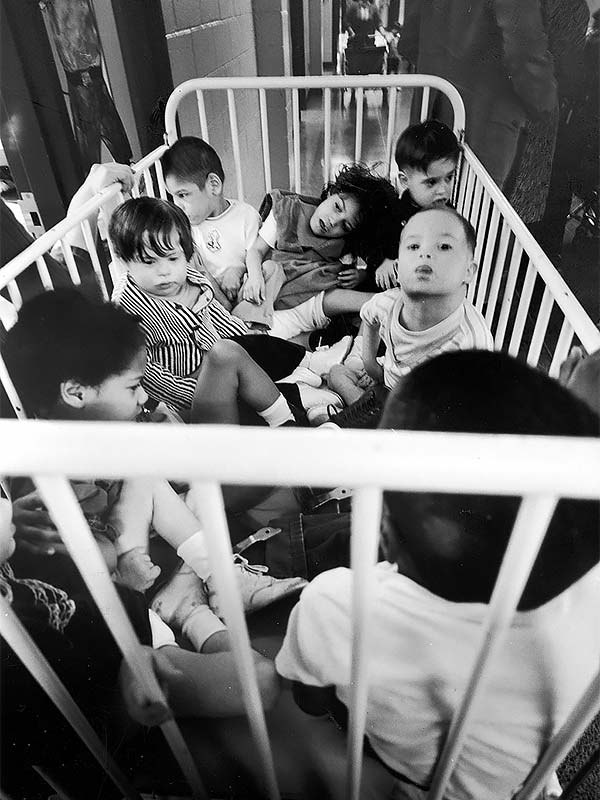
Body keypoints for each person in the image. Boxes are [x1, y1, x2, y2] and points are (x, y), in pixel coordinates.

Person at [276, 349, 600, 799]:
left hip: (400, 776)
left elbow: (307, 700)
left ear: (385, 525)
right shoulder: (591, 593)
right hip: (509, 787)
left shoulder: (336, 603)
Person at [2, 289, 306, 649]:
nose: (143, 396)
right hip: (126, 585)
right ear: (76, 393)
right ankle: (212, 585)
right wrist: (126, 562)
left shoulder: (97, 429)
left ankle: (217, 585)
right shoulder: (49, 468)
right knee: (180, 489)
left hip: (149, 559)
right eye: (133, 387)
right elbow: (88, 556)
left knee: (178, 488)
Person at [0, 493, 280, 800]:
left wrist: (15, 519)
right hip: (130, 663)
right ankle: (191, 613)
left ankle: (198, 581)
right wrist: (133, 674)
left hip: (108, 596)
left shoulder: (13, 540)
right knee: (259, 681)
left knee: (151, 483)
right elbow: (66, 726)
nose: (5, 499)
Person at [107, 196, 349, 421]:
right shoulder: (127, 312)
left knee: (254, 342)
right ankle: (295, 396)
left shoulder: (190, 279)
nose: (164, 270)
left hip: (221, 357)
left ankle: (311, 363)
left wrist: (247, 339)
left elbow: (217, 316)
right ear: (124, 261)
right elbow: (152, 377)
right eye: (149, 262)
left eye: (172, 258)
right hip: (192, 391)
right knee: (244, 385)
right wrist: (203, 392)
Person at [162, 137, 383, 342]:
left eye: (182, 195)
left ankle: (269, 334)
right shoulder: (183, 229)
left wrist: (362, 273)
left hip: (251, 295)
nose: (177, 204)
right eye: (175, 196)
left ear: (213, 185)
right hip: (214, 300)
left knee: (273, 270)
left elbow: (260, 256)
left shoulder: (245, 217)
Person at [325, 206, 493, 427]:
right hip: (387, 384)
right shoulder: (386, 303)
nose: (425, 253)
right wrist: (371, 365)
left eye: (444, 246)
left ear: (468, 272)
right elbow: (369, 318)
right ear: (397, 267)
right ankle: (368, 414)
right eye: (414, 246)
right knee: (336, 373)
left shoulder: (471, 342)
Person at [401, 0, 558, 190]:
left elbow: (408, 42)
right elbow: (525, 56)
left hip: (431, 109)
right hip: (487, 126)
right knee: (478, 211)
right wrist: (546, 106)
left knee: (429, 202)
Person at [245, 163, 397, 325]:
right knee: (270, 268)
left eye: (345, 226)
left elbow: (356, 265)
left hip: (313, 291)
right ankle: (383, 302)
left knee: (331, 289)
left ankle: (386, 302)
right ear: (331, 193)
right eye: (337, 207)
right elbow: (256, 251)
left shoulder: (343, 242)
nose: (333, 221)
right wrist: (255, 276)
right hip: (273, 286)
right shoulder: (287, 211)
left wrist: (360, 276)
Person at [373, 119, 462, 291]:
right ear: (405, 180)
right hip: (392, 282)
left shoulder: (449, 216)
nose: (443, 190)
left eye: (449, 178)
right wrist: (385, 260)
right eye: (431, 182)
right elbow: (381, 240)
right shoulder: (396, 211)